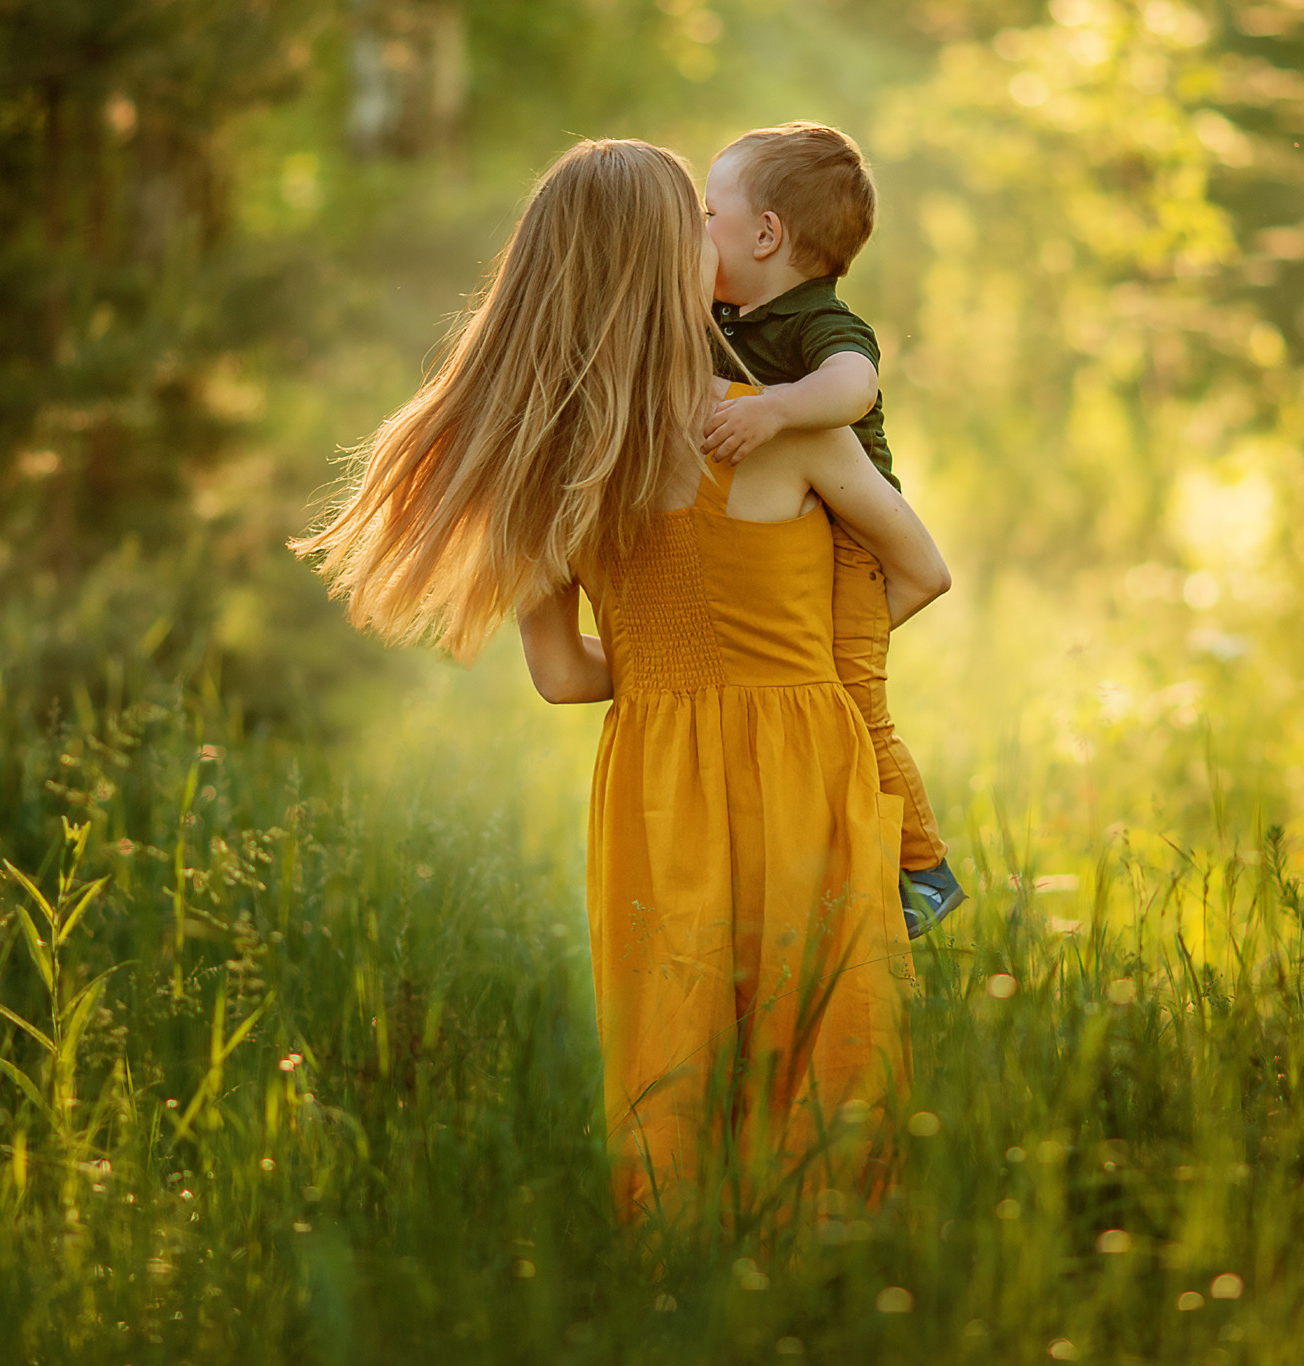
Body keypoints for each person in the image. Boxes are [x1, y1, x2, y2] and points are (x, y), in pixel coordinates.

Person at [291, 139, 952, 1218]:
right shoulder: (773, 419)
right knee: (819, 1043)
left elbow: (559, 677)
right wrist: (784, 665)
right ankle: (831, 1277)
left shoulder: (541, 461)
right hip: (803, 757)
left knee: (676, 1050)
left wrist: (669, 669)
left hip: (655, 783)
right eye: (690, 219)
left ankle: (677, 1277)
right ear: (660, 259)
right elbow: (920, 571)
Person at [699, 121, 966, 939]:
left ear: (767, 233)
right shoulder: (724, 312)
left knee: (851, 698)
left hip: (855, 544)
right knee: (822, 702)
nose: (698, 233)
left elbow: (852, 389)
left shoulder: (821, 322)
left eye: (710, 215)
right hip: (792, 540)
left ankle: (923, 868)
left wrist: (777, 408)